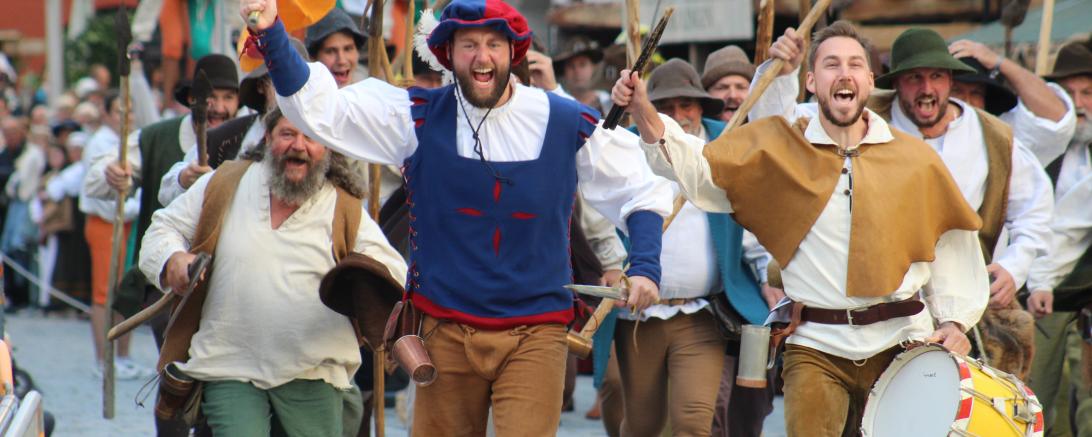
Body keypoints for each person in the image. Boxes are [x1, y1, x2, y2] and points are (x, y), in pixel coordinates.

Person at [241, 0, 673, 434]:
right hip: (442, 332)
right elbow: (320, 111)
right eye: (468, 45)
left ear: (513, 53)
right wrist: (273, 31)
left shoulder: (563, 121)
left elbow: (639, 188)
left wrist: (646, 266)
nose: (482, 57)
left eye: (492, 44)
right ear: (448, 54)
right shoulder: (415, 116)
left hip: (536, 331)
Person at [614, 20, 988, 436]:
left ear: (869, 79)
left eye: (854, 64)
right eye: (830, 65)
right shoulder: (786, 154)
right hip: (816, 347)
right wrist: (643, 110)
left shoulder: (914, 160)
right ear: (811, 80)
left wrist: (955, 321)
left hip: (900, 344)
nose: (843, 73)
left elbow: (953, 244)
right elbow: (700, 169)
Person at [754, 26, 1053, 379]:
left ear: (951, 81)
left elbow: (1034, 210)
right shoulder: (859, 118)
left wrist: (1013, 267)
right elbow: (774, 129)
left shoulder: (993, 136)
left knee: (983, 413)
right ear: (895, 83)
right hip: (881, 303)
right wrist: (782, 73)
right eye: (914, 79)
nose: (926, 89)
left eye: (936, 77)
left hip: (968, 292)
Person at [140, 106, 406, 437]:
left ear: (326, 148)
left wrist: (365, 286)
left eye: (310, 137)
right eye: (287, 134)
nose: (299, 145)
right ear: (267, 139)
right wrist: (172, 260)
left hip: (314, 372)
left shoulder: (345, 208)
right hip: (228, 363)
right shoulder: (225, 183)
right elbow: (162, 228)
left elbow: (393, 272)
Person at [614, 58, 772, 437]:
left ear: (701, 107)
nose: (677, 115)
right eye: (665, 106)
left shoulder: (724, 149)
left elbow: (752, 225)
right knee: (643, 426)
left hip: (703, 315)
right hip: (639, 316)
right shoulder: (624, 150)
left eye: (686, 105)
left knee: (693, 424)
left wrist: (768, 276)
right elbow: (601, 220)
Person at [1025, 39, 1092, 435]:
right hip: (1040, 300)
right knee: (1031, 400)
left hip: (1088, 301)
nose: (1079, 103)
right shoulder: (1037, 151)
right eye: (1068, 94)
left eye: (1088, 93)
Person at [78, 91, 143, 379]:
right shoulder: (100, 144)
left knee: (126, 291)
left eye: (129, 112)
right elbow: (100, 194)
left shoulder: (131, 141)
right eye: (119, 111)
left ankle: (124, 355)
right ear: (106, 114)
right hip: (106, 223)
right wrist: (133, 206)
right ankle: (103, 358)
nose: (125, 118)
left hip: (128, 223)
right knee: (104, 294)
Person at [949, 39, 1076, 165]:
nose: (967, 101)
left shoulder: (1002, 138)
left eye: (976, 93)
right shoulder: (929, 141)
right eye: (956, 91)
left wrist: (999, 62)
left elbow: (1056, 118)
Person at [702, 45, 756, 123]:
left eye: (741, 87)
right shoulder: (690, 134)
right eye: (722, 88)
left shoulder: (770, 131)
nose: (732, 95)